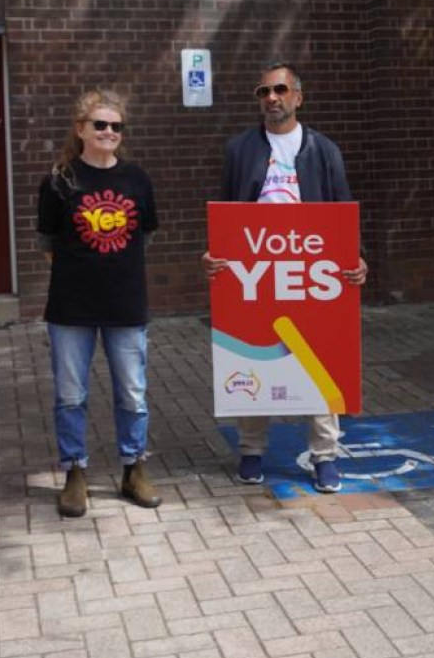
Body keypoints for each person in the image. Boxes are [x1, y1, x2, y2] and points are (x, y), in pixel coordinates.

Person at [201, 62, 367, 493]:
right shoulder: (240, 149)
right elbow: (226, 211)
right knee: (250, 354)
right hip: (256, 273)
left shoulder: (324, 150)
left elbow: (341, 211)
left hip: (310, 271)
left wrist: (357, 259)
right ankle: (251, 451)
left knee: (320, 357)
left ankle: (325, 455)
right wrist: (215, 255)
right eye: (263, 91)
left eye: (280, 89)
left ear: (297, 97)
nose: (271, 97)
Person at [37, 89, 161, 518]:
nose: (109, 132)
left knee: (133, 393)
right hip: (71, 307)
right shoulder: (59, 180)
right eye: (100, 125)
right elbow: (48, 242)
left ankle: (134, 468)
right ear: (81, 129)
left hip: (126, 304)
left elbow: (144, 235)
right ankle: (74, 473)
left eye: (116, 126)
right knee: (70, 395)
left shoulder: (137, 179)